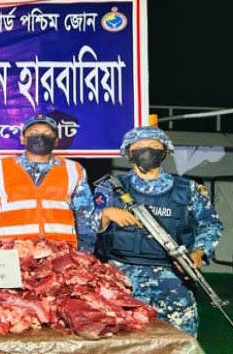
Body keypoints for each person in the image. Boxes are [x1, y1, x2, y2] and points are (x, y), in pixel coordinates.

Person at [90, 126, 224, 336]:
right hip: (122, 278)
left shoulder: (187, 189)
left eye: (154, 146)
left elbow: (211, 224)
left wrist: (199, 252)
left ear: (165, 151)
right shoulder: (109, 188)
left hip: (174, 278)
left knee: (178, 341)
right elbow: (85, 228)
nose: (147, 151)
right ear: (128, 152)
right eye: (139, 146)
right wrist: (105, 213)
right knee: (123, 343)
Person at [0, 114, 96, 253]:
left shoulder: (73, 169)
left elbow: (84, 215)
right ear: (22, 139)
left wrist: (85, 252)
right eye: (33, 133)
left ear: (56, 141)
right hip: (14, 252)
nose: (40, 137)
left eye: (47, 133)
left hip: (61, 253)